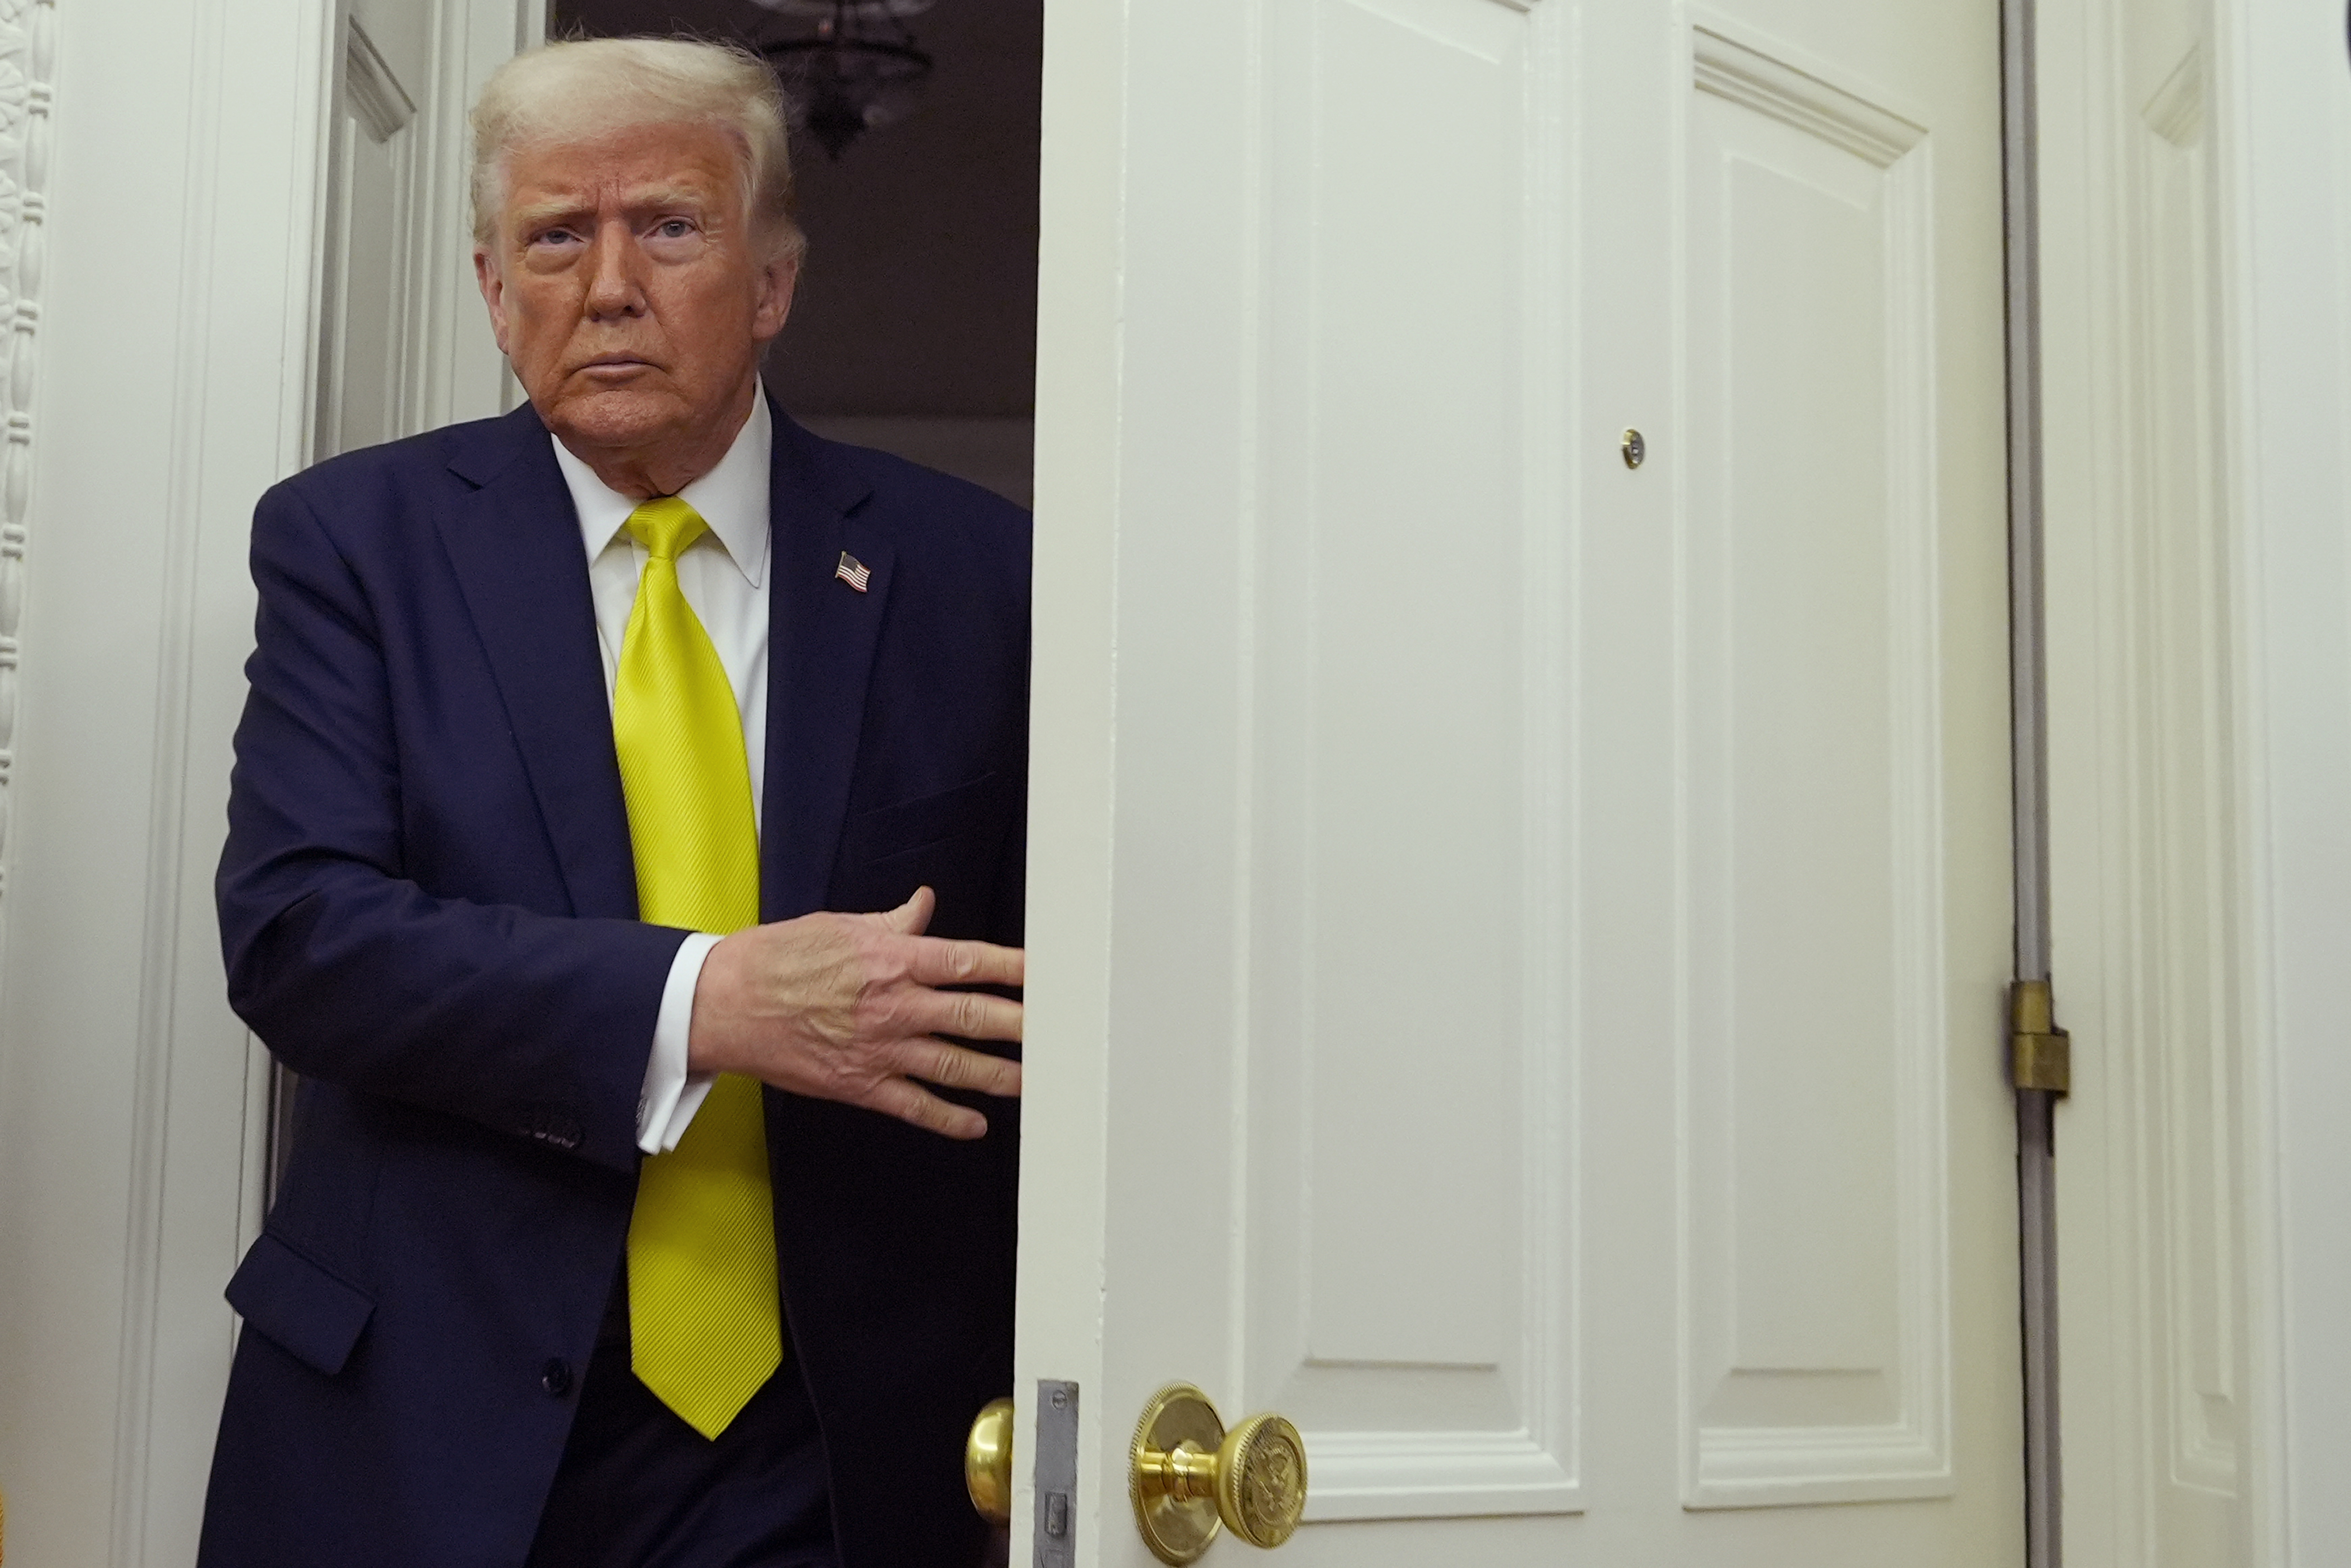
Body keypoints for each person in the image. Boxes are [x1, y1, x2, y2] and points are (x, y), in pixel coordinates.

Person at [196, 37, 1029, 1568]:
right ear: (491, 289)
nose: (608, 286)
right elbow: (302, 936)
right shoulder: (355, 543)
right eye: (555, 237)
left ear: (771, 283)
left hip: (831, 1451)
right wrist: (710, 1000)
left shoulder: (983, 574)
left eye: (670, 226)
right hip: (418, 1421)